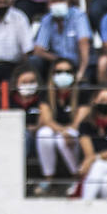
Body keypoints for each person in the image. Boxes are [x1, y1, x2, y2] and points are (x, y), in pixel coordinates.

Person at [33, 56, 81, 194]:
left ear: (73, 74)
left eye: (67, 71)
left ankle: (76, 177)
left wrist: (67, 132)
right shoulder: (46, 94)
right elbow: (47, 120)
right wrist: (63, 131)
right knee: (44, 134)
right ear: (52, 75)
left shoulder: (81, 92)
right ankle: (48, 178)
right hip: (57, 130)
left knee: (62, 140)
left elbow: (79, 121)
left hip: (76, 131)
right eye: (59, 72)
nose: (63, 75)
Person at [32, 0, 90, 81]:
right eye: (54, 1)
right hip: (56, 63)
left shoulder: (79, 17)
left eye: (61, 0)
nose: (57, 4)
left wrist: (81, 72)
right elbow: (38, 50)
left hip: (77, 63)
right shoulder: (47, 20)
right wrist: (60, 60)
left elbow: (84, 45)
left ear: (68, 2)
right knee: (35, 60)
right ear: (48, 5)